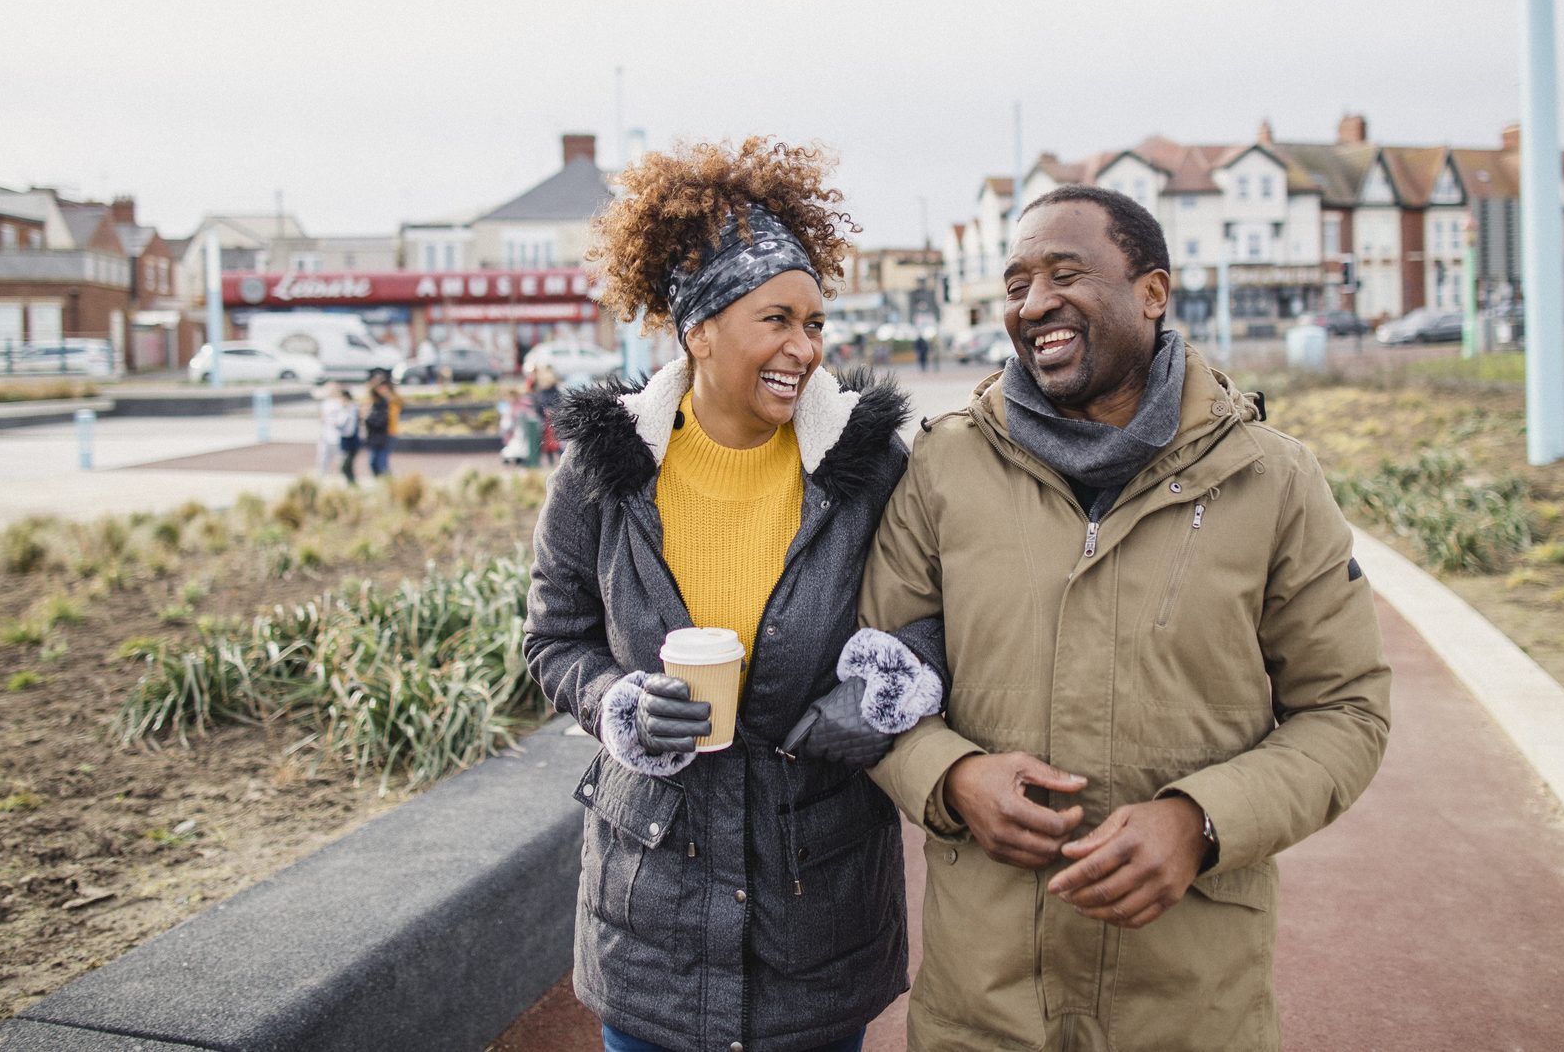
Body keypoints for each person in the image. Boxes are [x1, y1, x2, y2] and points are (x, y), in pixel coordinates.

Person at [859, 184, 1392, 1051]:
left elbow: (1348, 710)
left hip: (1189, 1005)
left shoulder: (1273, 479)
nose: (1035, 305)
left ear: (1153, 292)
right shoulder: (944, 464)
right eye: (1017, 283)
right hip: (984, 1005)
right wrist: (951, 778)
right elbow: (872, 676)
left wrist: (1201, 821)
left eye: (1066, 273)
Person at [524, 138, 946, 1052]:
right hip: (652, 915)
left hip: (820, 904)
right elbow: (553, 639)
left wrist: (887, 684)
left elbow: (934, 616)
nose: (806, 347)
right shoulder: (605, 470)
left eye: (817, 324)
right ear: (699, 329)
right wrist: (616, 703)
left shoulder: (868, 467)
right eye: (777, 320)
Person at [363, 374, 398, 478]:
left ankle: (388, 483)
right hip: (375, 435)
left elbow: (391, 415)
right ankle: (380, 482)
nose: (382, 390)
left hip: (388, 433)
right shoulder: (374, 402)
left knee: (382, 463)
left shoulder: (390, 401)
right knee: (373, 462)